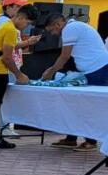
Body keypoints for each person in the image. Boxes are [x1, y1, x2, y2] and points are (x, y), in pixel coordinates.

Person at [41, 13, 108, 151]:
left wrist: (51, 72)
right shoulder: (76, 27)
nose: (54, 34)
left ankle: (91, 141)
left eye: (52, 30)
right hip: (92, 70)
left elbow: (64, 56)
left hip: (97, 70)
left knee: (88, 106)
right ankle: (71, 138)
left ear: (58, 24)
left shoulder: (70, 29)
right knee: (75, 102)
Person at [0, 3, 36, 149]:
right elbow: (7, 58)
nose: (26, 26)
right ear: (21, 17)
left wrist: (27, 42)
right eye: (27, 23)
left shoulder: (3, 25)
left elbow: (3, 47)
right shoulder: (10, 29)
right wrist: (19, 74)